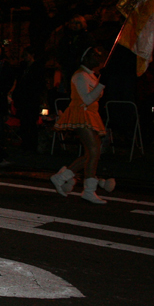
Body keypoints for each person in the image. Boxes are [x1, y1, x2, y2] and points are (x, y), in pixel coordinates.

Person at [50, 47, 115, 204]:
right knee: (93, 151)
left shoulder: (91, 75)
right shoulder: (80, 75)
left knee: (92, 152)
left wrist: (101, 81)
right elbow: (86, 99)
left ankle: (61, 178)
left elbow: (96, 96)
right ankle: (89, 190)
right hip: (81, 114)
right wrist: (102, 84)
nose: (98, 57)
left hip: (91, 114)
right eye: (94, 55)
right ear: (85, 58)